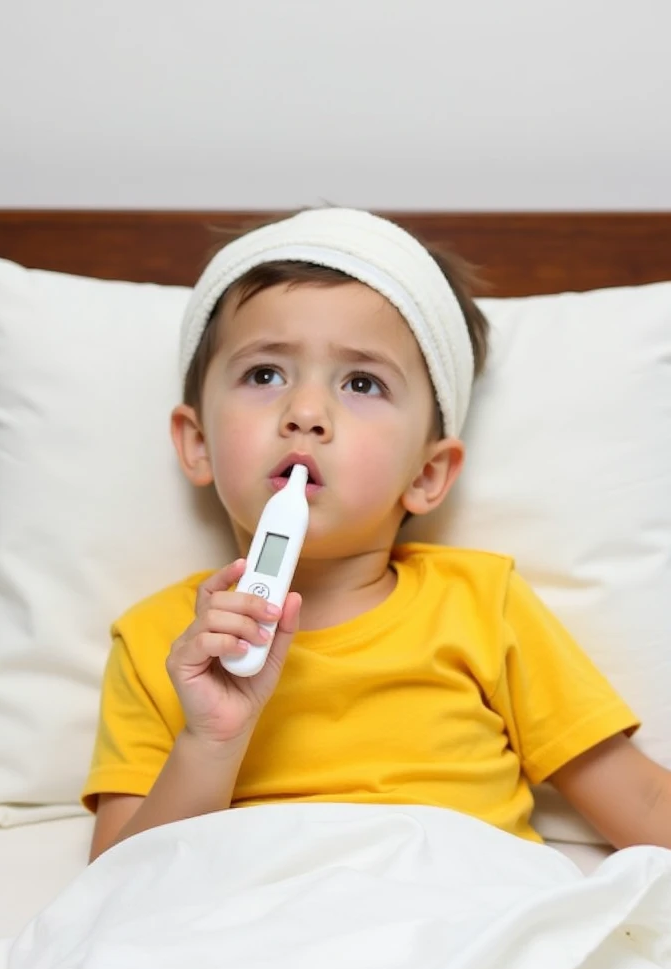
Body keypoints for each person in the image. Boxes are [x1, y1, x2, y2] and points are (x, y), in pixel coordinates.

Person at [83, 207, 671, 861]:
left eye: (362, 383)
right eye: (264, 374)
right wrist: (210, 740)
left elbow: (641, 803)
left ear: (427, 474)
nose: (305, 413)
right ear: (197, 445)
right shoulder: (160, 643)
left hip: (462, 915)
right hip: (257, 926)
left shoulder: (482, 603)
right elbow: (115, 885)